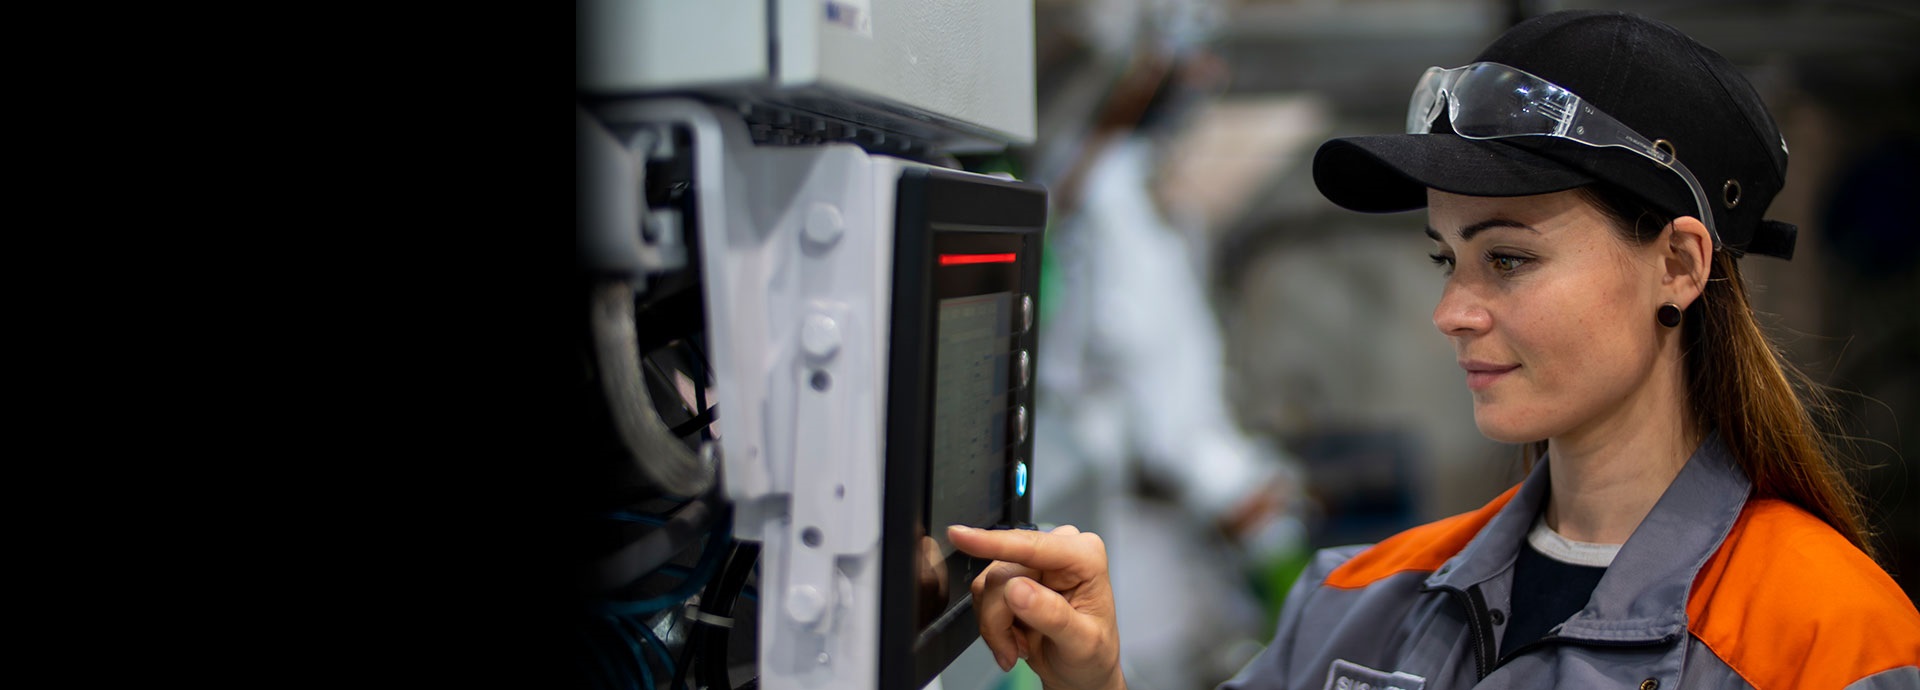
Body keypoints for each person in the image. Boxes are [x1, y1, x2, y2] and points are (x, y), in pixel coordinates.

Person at [948, 9, 1920, 690]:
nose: (1453, 310)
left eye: (1507, 258)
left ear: (1677, 262)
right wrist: (1097, 677)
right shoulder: (1363, 600)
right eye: (1446, 257)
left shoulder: (1829, 641)